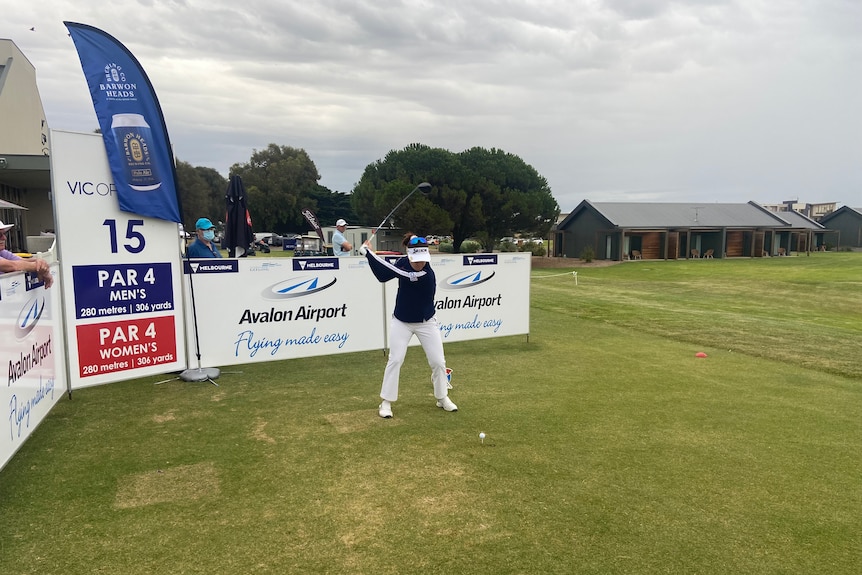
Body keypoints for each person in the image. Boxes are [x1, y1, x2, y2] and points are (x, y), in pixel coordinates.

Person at [360, 233, 457, 418]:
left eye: (422, 260)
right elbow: (382, 275)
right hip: (402, 321)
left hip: (426, 322)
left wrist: (369, 254)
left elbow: (404, 274)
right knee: (395, 359)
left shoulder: (426, 274)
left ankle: (442, 397)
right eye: (416, 260)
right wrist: (369, 256)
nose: (420, 263)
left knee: (438, 362)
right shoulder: (402, 263)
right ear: (409, 255)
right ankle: (386, 402)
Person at [0, 220, 53, 288]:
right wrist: (41, 268)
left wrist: (41, 263)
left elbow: (21, 261)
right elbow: (12, 265)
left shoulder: (1, 252)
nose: (4, 238)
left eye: (4, 234)